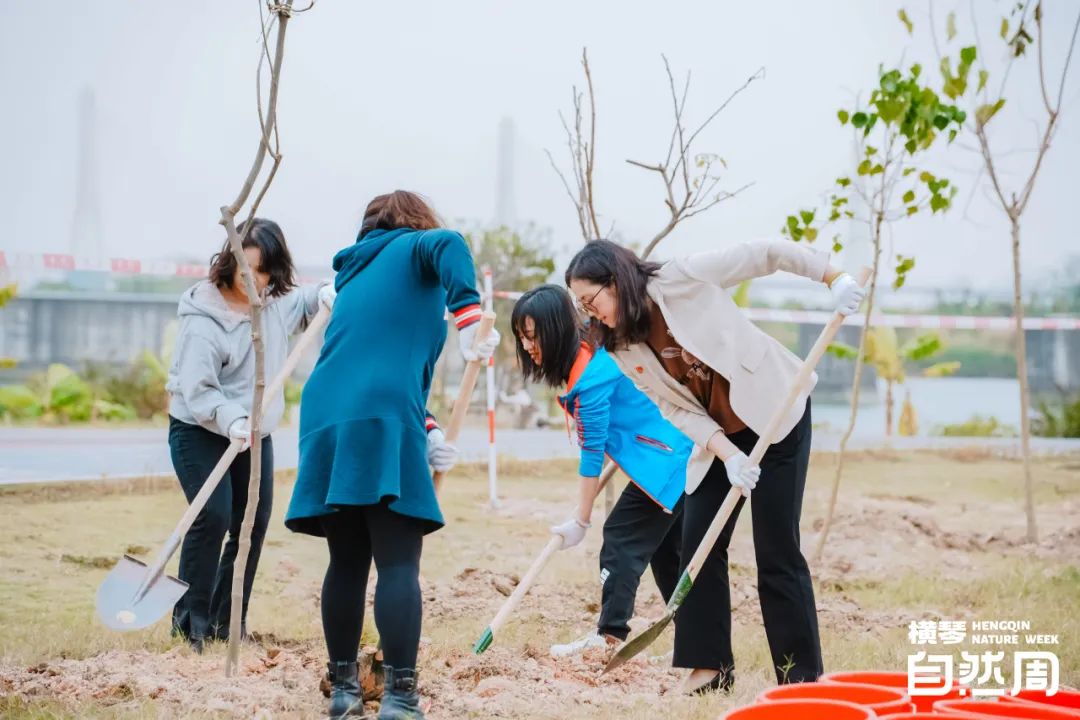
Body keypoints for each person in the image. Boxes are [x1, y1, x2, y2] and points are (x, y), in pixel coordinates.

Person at [565, 238, 865, 694]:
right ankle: (709, 669)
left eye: (591, 301)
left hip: (775, 411)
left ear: (616, 281)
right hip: (722, 438)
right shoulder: (622, 347)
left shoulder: (682, 276)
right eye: (582, 306)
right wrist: (728, 454)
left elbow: (765, 253)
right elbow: (674, 408)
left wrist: (832, 277)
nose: (591, 314)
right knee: (698, 545)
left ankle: (800, 679)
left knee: (777, 551)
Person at [284, 191, 499, 720]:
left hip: (327, 413)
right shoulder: (417, 247)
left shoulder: (356, 274)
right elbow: (450, 243)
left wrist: (428, 432)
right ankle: (400, 697)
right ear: (417, 221)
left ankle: (343, 691)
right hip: (379, 411)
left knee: (347, 560)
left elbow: (378, 368)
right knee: (398, 561)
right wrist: (469, 319)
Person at [166, 218, 334, 652]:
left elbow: (306, 302)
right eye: (246, 268)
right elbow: (199, 390)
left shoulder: (274, 302)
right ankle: (190, 625)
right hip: (199, 428)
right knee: (213, 515)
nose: (253, 280)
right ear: (229, 260)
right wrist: (231, 420)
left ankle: (227, 622)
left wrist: (325, 294)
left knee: (251, 525)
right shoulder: (203, 320)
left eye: (263, 271)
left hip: (254, 434)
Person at [510, 285, 691, 657]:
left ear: (555, 329)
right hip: (675, 457)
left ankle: (608, 637)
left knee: (621, 537)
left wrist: (582, 520)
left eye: (532, 335)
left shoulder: (592, 380)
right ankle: (699, 644)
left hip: (667, 462)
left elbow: (591, 455)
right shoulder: (591, 355)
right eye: (521, 337)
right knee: (667, 555)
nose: (527, 346)